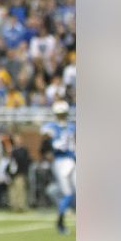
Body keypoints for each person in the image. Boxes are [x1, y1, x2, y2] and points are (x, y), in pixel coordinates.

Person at [41, 99, 76, 233]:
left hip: (71, 160)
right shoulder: (51, 127)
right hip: (60, 161)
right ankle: (60, 221)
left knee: (73, 192)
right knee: (68, 193)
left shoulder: (71, 127)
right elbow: (45, 140)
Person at [8, 131, 32, 212]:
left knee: (20, 189)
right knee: (12, 190)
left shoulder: (23, 150)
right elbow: (10, 162)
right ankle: (14, 205)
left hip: (20, 172)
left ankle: (21, 206)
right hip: (12, 173)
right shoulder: (11, 149)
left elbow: (25, 161)